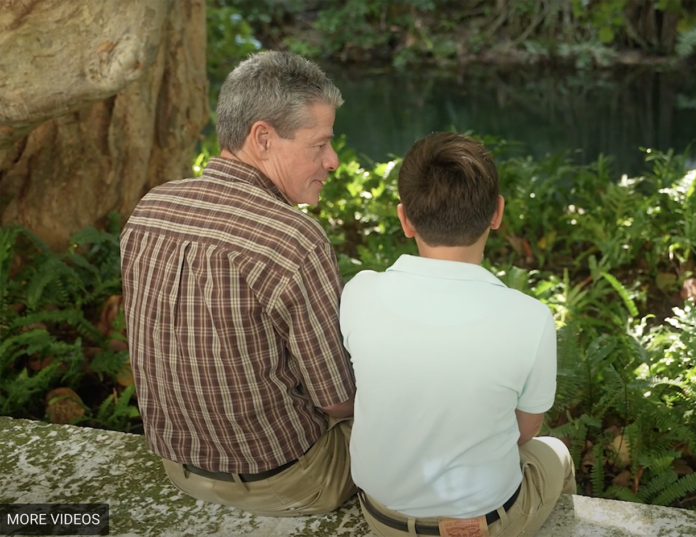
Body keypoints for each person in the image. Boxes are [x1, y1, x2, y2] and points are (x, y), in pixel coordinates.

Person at [120, 51, 356, 516]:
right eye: (321, 144)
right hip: (289, 482)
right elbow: (339, 402)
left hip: (180, 467)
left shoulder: (151, 208)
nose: (332, 162)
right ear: (263, 138)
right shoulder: (293, 238)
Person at [340, 132, 576, 537]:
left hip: (382, 516)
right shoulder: (531, 318)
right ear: (497, 213)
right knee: (556, 453)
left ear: (405, 219)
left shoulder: (359, 291)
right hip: (483, 523)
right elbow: (525, 431)